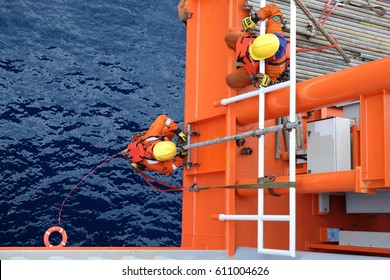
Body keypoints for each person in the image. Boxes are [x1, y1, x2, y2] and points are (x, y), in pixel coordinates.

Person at [225, 3, 288, 90]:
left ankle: (241, 87)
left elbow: (272, 81)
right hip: (248, 45)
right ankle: (236, 48)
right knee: (228, 37)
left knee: (230, 81)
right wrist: (254, 18)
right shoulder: (274, 31)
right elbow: (273, 9)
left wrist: (268, 82)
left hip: (251, 68)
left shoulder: (276, 67)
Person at [121, 114, 187, 176]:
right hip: (144, 159)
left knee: (169, 131)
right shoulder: (155, 165)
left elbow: (163, 118)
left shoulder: (151, 136)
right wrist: (181, 156)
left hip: (144, 145)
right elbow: (172, 167)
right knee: (168, 170)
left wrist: (178, 132)